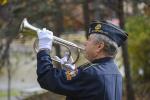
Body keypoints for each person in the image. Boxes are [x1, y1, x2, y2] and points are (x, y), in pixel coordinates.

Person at [36, 20, 128, 100]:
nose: (85, 43)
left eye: (89, 40)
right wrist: (70, 73)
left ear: (99, 46)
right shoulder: (116, 72)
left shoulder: (91, 72)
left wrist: (44, 49)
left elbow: (46, 78)